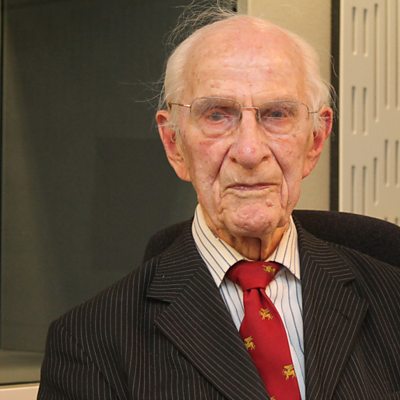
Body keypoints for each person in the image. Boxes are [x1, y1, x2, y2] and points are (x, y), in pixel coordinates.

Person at [38, 5, 400, 400]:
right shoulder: (89, 342)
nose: (249, 151)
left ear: (315, 141)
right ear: (174, 144)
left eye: (277, 114)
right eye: (217, 115)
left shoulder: (392, 300)